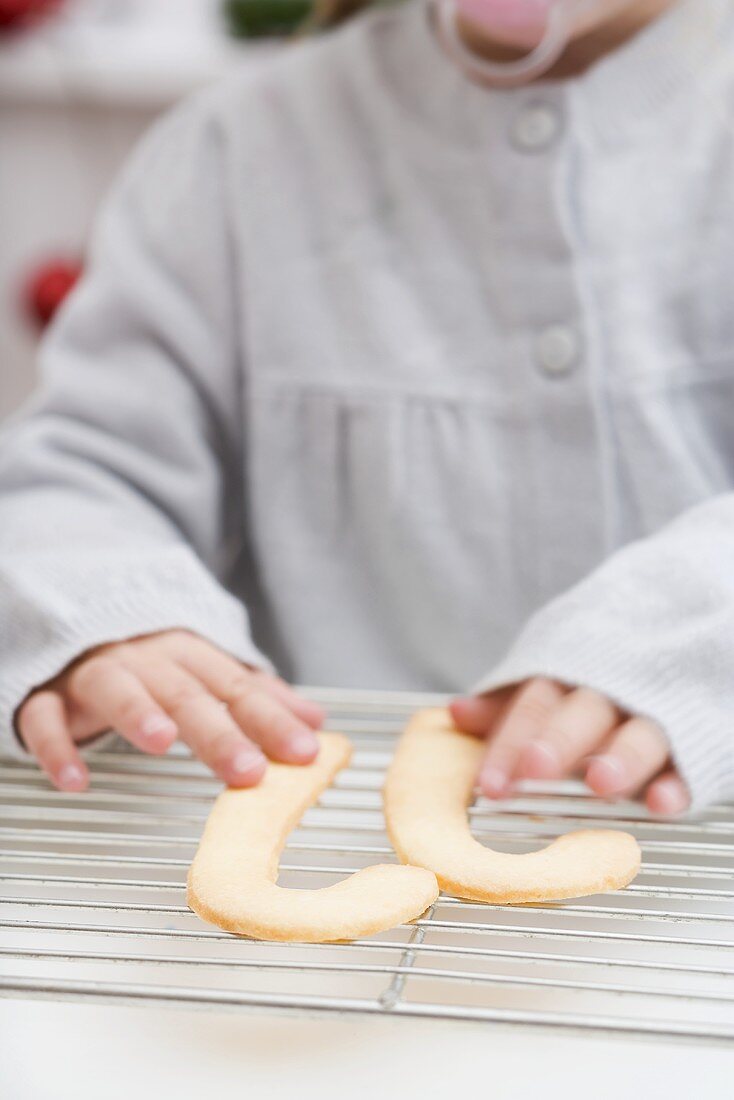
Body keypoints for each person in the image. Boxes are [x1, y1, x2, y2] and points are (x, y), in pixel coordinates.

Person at [1, 0, 731, 817]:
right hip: (324, 849)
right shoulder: (235, 149)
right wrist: (109, 616)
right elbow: (81, 470)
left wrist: (688, 640)